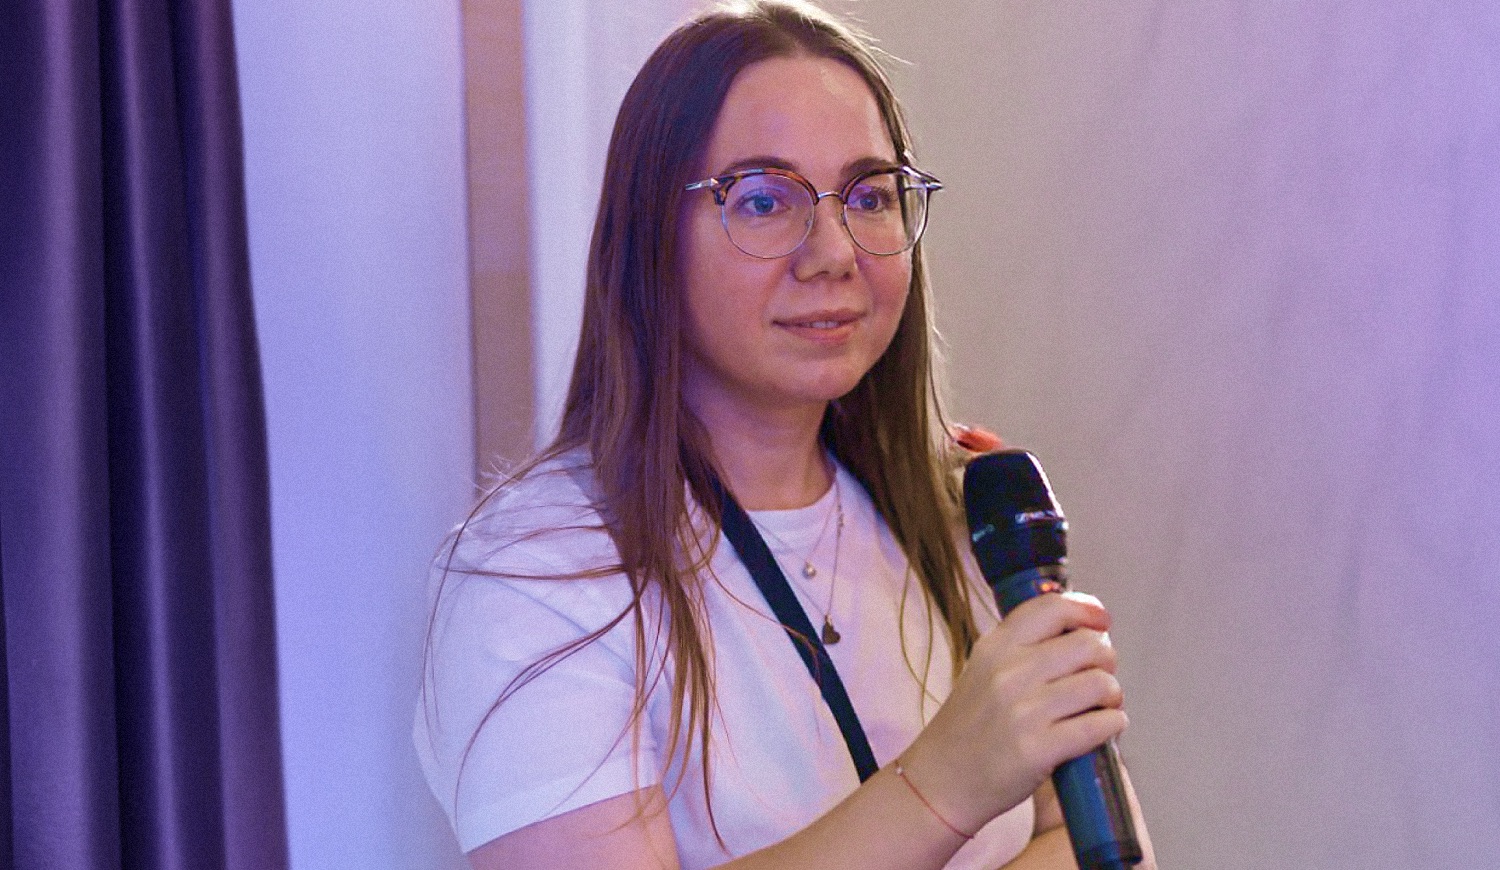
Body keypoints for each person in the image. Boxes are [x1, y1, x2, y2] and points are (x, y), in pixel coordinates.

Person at [416, 2, 1156, 868]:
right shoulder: (539, 570)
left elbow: (1095, 843)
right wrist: (946, 783)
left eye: (870, 196)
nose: (835, 252)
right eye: (764, 200)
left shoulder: (958, 512)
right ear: (649, 237)